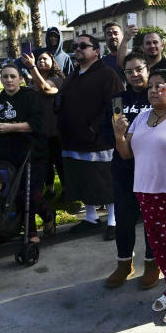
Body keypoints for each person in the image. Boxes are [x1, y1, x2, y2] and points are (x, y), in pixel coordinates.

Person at [113, 68, 166, 324]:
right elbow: (126, 154)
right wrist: (118, 134)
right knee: (158, 245)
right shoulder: (141, 117)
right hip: (145, 191)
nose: (155, 90)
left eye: (162, 86)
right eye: (152, 86)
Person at [100, 52, 159, 289]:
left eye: (139, 69)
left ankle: (152, 264)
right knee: (124, 219)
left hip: (153, 169)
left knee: (151, 220)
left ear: (148, 68)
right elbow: (107, 133)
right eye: (129, 71)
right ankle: (124, 264)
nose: (135, 75)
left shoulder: (158, 96)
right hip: (124, 170)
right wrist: (118, 136)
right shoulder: (117, 102)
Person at [56, 34, 124, 239]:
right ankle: (91, 218)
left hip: (99, 141)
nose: (78, 49)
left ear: (96, 51)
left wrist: (97, 129)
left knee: (105, 181)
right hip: (73, 139)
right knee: (83, 179)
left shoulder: (107, 74)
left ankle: (114, 220)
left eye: (83, 46)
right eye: (75, 46)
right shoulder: (73, 74)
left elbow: (117, 105)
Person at [0, 63, 54, 243]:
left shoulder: (31, 97)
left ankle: (43, 219)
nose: (9, 80)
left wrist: (10, 127)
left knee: (29, 193)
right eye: (5, 76)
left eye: (13, 76)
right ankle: (29, 229)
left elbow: (38, 124)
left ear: (21, 79)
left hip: (31, 153)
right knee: (13, 194)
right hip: (3, 155)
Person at [21, 51, 65, 199]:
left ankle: (66, 189)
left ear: (53, 62)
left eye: (45, 59)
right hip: (39, 129)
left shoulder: (57, 79)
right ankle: (50, 189)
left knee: (60, 162)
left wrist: (32, 66)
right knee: (45, 162)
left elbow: (46, 88)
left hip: (56, 129)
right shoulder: (32, 81)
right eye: (39, 59)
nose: (41, 61)